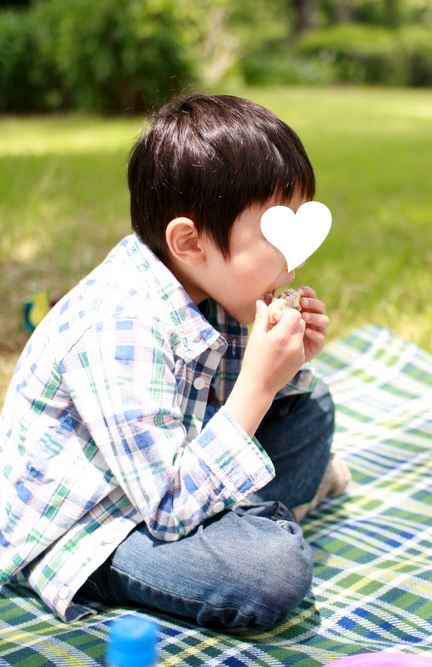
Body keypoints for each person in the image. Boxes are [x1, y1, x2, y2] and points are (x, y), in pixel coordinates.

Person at [0, 93, 350, 630]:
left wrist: (288, 363)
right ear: (189, 241)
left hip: (171, 468)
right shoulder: (119, 329)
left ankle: (250, 514)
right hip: (99, 525)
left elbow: (233, 394)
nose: (295, 260)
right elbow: (165, 509)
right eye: (278, 236)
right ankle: (259, 520)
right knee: (271, 574)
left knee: (312, 406)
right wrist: (259, 383)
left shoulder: (213, 284)